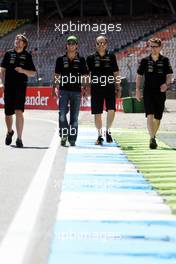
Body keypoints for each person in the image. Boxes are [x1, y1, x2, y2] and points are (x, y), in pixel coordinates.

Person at [136, 38, 173, 149]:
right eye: (151, 46)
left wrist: (166, 85)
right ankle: (152, 139)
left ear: (160, 47)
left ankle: (153, 135)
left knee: (158, 117)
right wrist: (137, 90)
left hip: (160, 92)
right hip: (148, 91)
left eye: (155, 46)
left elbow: (169, 75)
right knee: (150, 115)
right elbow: (139, 76)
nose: (153, 48)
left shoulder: (165, 60)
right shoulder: (144, 61)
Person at [0, 34, 36, 147]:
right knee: (8, 114)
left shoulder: (27, 56)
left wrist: (23, 71)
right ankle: (10, 131)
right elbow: (2, 70)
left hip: (21, 88)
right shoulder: (8, 53)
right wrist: (1, 83)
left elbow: (33, 73)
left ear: (24, 44)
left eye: (20, 40)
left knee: (19, 111)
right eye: (16, 39)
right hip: (8, 87)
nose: (17, 41)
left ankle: (19, 139)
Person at [52, 35, 88, 147]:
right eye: (69, 43)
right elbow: (57, 75)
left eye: (73, 43)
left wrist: (86, 88)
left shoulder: (81, 60)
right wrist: (54, 88)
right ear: (66, 45)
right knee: (62, 115)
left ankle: (72, 139)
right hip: (63, 91)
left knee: (74, 118)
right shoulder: (60, 59)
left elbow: (85, 75)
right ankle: (64, 135)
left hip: (77, 92)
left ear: (77, 45)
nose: (71, 45)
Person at [87, 35, 121, 145]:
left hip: (110, 87)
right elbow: (87, 75)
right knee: (97, 113)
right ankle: (99, 135)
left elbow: (116, 73)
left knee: (112, 110)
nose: (101, 45)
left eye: (103, 43)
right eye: (98, 43)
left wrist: (118, 86)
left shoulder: (111, 56)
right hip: (96, 88)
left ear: (106, 44)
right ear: (95, 44)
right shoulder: (90, 58)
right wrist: (86, 87)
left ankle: (108, 131)